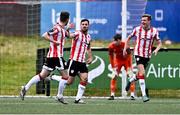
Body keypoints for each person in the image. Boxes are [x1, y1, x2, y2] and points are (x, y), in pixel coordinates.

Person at [20, 11, 70, 103]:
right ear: (67, 19)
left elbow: (68, 35)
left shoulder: (62, 29)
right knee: (66, 77)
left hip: (51, 57)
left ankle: (25, 88)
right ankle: (59, 95)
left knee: (42, 75)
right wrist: (55, 42)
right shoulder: (57, 28)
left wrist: (68, 28)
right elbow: (44, 35)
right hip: (57, 56)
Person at [123, 14, 162, 102]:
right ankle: (144, 95)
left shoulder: (154, 31)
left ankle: (131, 80)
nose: (142, 22)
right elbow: (128, 38)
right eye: (142, 20)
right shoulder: (137, 29)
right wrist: (125, 47)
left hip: (147, 55)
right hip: (138, 54)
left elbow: (160, 43)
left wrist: (156, 50)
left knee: (139, 74)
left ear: (149, 21)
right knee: (142, 73)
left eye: (144, 20)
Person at [56, 19, 93, 104]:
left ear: (88, 26)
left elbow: (88, 47)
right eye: (83, 24)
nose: (84, 26)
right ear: (80, 25)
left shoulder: (88, 36)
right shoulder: (77, 33)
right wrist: (68, 29)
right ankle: (53, 77)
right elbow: (69, 36)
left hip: (82, 62)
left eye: (86, 24)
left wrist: (90, 57)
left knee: (85, 79)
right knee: (69, 82)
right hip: (74, 61)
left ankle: (78, 99)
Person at [108, 34, 136, 100]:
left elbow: (129, 55)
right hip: (118, 62)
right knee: (114, 76)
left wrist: (129, 66)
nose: (114, 42)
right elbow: (111, 57)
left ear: (119, 40)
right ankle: (112, 95)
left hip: (126, 61)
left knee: (131, 77)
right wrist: (113, 66)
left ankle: (132, 95)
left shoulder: (125, 45)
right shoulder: (111, 46)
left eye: (116, 41)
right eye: (114, 40)